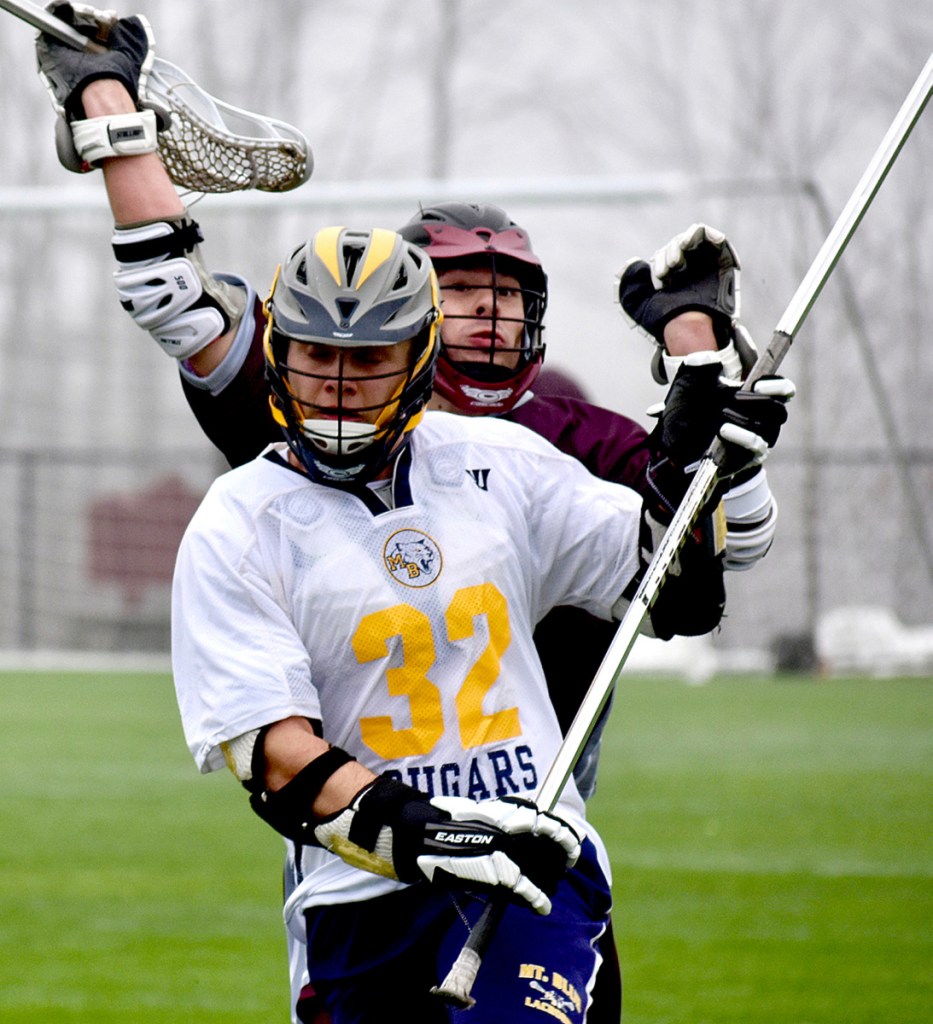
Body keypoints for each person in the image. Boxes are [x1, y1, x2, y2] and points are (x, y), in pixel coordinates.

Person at [35, 8, 794, 1022]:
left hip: (537, 847)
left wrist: (709, 438)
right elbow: (275, 758)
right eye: (317, 361)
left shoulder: (533, 450)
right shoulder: (243, 513)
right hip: (363, 871)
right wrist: (108, 106)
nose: (341, 385)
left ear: (416, 352)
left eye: (499, 294)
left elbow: (689, 579)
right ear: (287, 357)